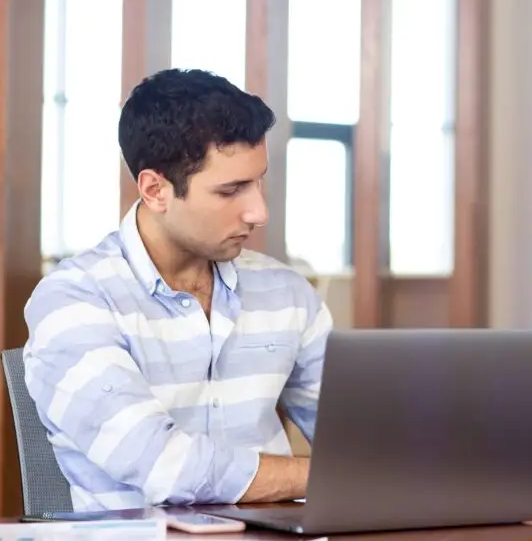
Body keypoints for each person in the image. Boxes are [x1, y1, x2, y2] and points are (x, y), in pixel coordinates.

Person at [23, 69, 331, 512]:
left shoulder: (286, 293)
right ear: (155, 190)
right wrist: (322, 478)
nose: (258, 212)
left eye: (258, 181)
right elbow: (164, 466)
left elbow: (362, 446)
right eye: (231, 190)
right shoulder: (73, 301)